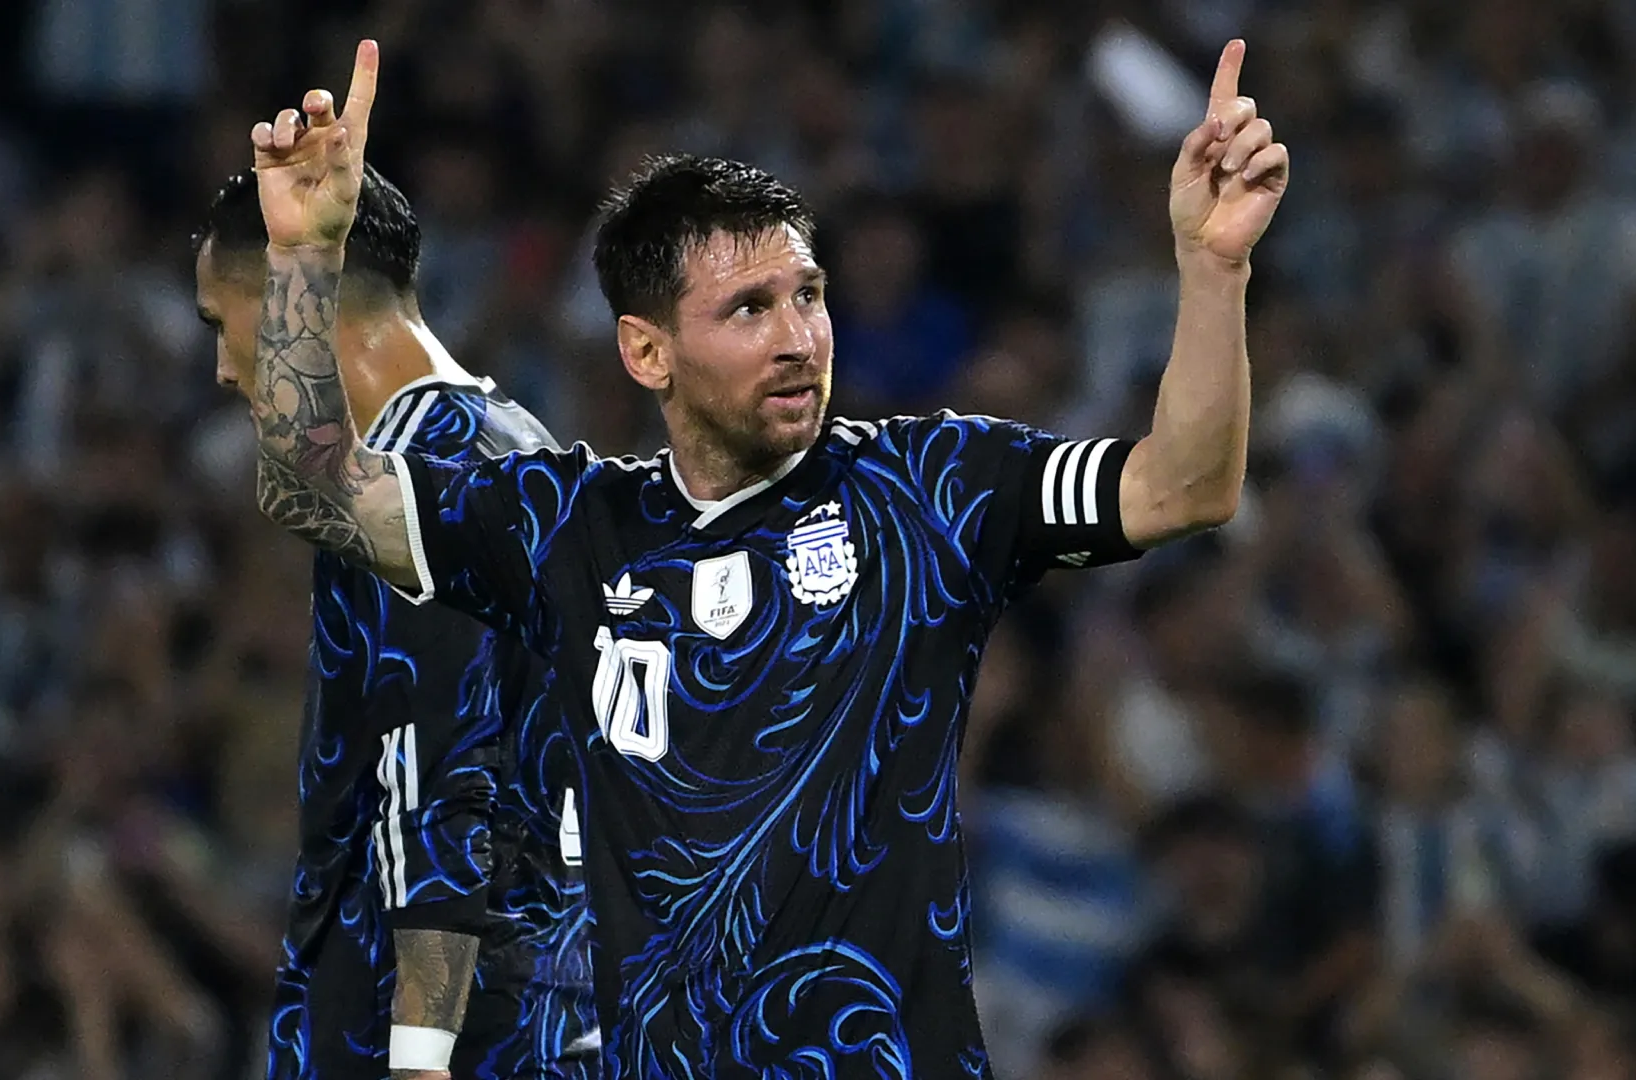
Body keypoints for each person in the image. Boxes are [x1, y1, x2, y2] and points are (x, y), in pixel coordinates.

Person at [246, 38, 1288, 1077]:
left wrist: (1213, 268)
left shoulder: (930, 493)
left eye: (808, 295)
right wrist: (302, 262)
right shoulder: (565, 528)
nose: (799, 336)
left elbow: (1181, 488)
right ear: (647, 351)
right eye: (750, 309)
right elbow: (314, 487)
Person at [191, 164, 598, 1079]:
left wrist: (418, 1058)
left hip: (440, 1030)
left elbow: (438, 787)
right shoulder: (518, 440)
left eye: (223, 323)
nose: (221, 367)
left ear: (304, 304)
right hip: (549, 1008)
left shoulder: (414, 483)